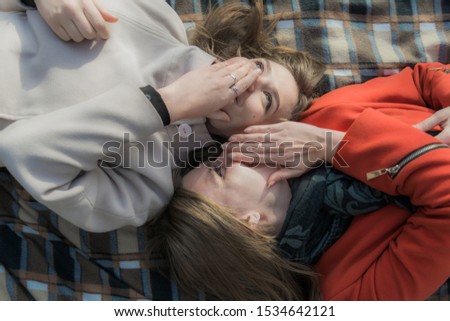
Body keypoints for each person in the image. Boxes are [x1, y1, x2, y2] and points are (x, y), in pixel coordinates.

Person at [0, 0, 325, 231]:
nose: (252, 81)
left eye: (267, 99)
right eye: (258, 67)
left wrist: (165, 105)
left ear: (254, 133)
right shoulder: (161, 19)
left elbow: (18, 148)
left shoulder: (148, 190)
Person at [149, 62, 450, 301]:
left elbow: (423, 79)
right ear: (249, 222)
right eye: (219, 169)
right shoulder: (349, 295)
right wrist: (331, 145)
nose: (227, 150)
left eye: (213, 156)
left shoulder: (307, 122)